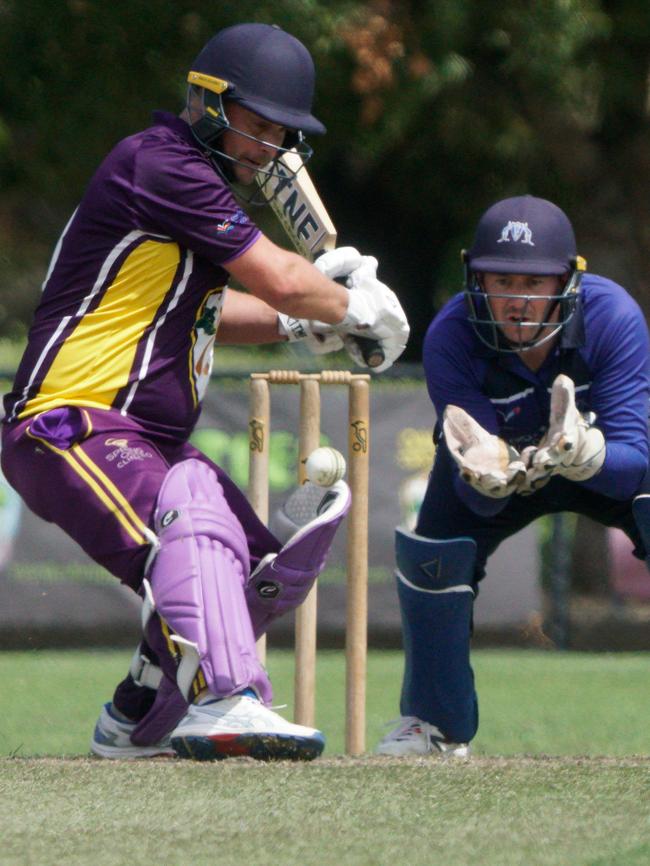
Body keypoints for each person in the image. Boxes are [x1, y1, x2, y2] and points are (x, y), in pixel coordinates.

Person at [1, 22, 409, 762]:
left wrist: (304, 324)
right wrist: (350, 308)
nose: (267, 149)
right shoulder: (159, 163)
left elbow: (229, 313)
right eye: (256, 127)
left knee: (257, 575)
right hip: (73, 423)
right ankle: (228, 700)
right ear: (207, 102)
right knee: (190, 511)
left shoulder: (195, 197)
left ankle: (137, 714)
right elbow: (282, 274)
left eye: (281, 134)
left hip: (139, 437)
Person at [376, 194, 650, 758]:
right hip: (509, 477)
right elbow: (470, 484)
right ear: (474, 278)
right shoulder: (452, 334)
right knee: (434, 551)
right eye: (501, 280)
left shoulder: (612, 315)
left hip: (597, 463)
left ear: (568, 283)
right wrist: (485, 476)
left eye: (534, 283)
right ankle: (434, 724)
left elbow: (633, 465)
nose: (517, 301)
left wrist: (587, 454)